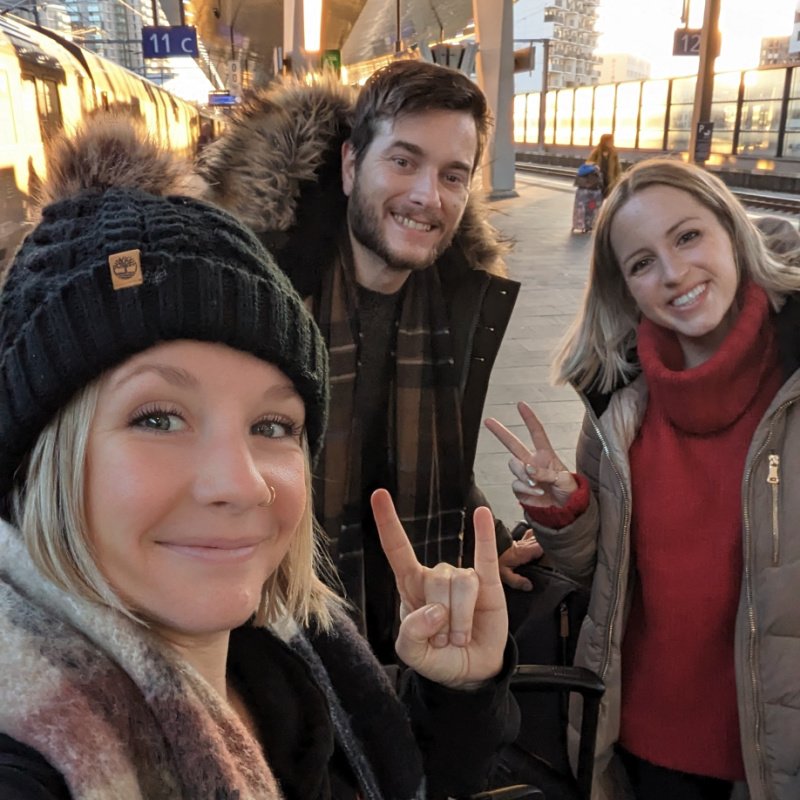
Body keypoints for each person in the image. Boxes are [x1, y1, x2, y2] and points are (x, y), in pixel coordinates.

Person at [0, 117, 520, 800]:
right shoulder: (31, 761)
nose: (241, 485)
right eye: (158, 417)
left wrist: (458, 695)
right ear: (41, 456)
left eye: (274, 425)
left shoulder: (291, 647)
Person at [198, 60, 541, 662]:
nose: (426, 197)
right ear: (352, 165)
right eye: (403, 161)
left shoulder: (460, 299)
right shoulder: (260, 291)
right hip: (267, 632)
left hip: (415, 628)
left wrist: (484, 532)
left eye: (453, 175)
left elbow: (422, 452)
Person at [485, 158, 800, 800]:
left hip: (777, 747)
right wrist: (566, 513)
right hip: (647, 745)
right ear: (625, 288)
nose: (675, 274)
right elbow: (602, 572)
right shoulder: (617, 401)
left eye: (688, 237)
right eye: (641, 263)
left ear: (732, 231)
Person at [587, 133, 621, 199]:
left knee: (607, 199)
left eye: (612, 141)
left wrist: (617, 179)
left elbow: (617, 167)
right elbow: (588, 164)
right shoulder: (596, 152)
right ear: (604, 141)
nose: (611, 143)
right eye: (609, 141)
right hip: (597, 180)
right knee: (597, 199)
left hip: (609, 181)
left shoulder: (613, 153)